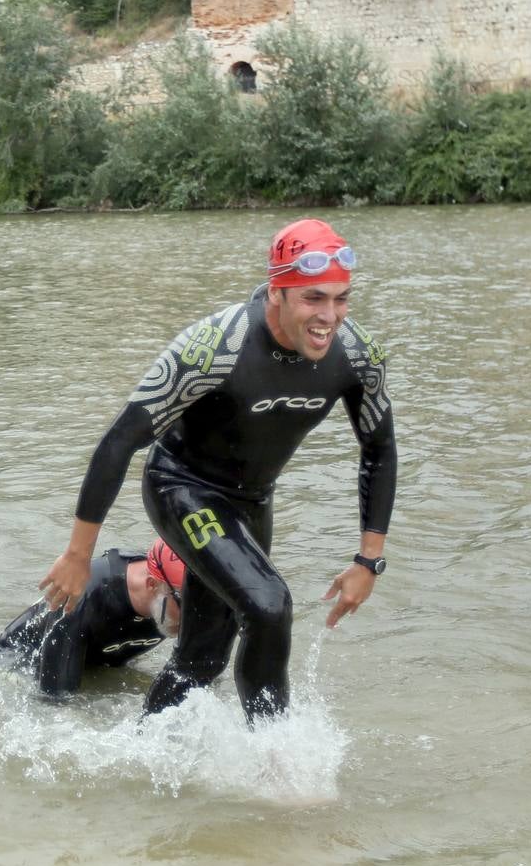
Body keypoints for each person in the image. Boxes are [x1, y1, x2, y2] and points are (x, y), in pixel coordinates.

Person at [39, 218, 397, 723]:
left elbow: (379, 448)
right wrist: (79, 553)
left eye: (341, 299)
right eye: (313, 298)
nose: (330, 316)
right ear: (278, 292)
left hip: (252, 501)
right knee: (269, 604)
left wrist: (369, 560)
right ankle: (276, 761)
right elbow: (120, 442)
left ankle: (147, 748)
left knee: (203, 659)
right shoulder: (213, 348)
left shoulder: (357, 355)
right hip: (181, 487)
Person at [0, 538, 185, 696]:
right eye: (185, 603)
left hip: (98, 663)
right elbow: (54, 702)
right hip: (17, 659)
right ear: (152, 584)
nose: (193, 616)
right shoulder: (85, 598)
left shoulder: (177, 599)